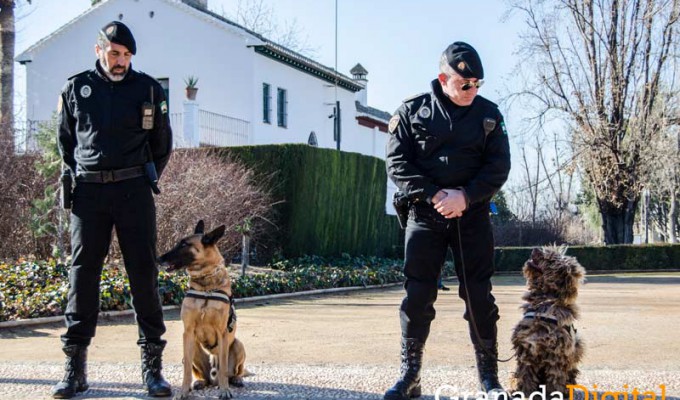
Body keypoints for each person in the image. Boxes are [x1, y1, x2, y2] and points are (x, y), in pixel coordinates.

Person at [384, 42, 511, 400]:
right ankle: (410, 376)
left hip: (471, 215)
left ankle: (489, 377)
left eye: (477, 83)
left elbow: (498, 167)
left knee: (479, 296)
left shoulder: (489, 116)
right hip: (426, 214)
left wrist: (465, 197)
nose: (472, 90)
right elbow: (397, 164)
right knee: (417, 295)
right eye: (465, 83)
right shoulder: (412, 112)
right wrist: (436, 195)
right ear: (444, 78)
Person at [52, 21, 172, 399]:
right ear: (98, 50)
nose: (121, 61)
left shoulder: (148, 88)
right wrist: (82, 175)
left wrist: (139, 175)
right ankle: (75, 370)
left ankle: (153, 371)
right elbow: (65, 143)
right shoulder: (76, 88)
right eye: (115, 53)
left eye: (127, 55)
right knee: (83, 275)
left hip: (134, 190)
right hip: (89, 194)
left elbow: (162, 144)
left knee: (143, 273)